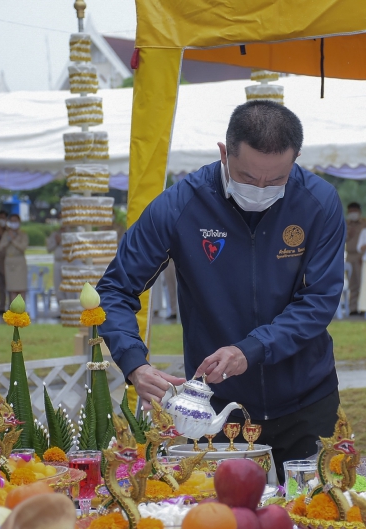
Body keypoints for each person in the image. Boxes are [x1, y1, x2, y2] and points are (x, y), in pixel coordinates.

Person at [96, 100, 345, 482]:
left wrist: (251, 349)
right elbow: (114, 288)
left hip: (307, 398)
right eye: (247, 177)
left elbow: (318, 301)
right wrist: (134, 363)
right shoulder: (179, 206)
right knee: (221, 517)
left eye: (276, 180)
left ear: (295, 160)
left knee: (317, 512)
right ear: (224, 153)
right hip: (216, 411)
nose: (261, 189)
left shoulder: (318, 202)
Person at [0, 214, 29, 304]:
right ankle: (14, 311)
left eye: (16, 221)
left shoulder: (23, 234)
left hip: (20, 262)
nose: (14, 223)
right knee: (12, 289)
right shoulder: (6, 234)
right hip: (9, 262)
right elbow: (0, 247)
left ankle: (21, 311)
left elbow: (23, 247)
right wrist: (8, 239)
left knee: (21, 288)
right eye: (12, 221)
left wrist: (13, 240)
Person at [345, 202, 366, 315]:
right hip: (350, 255)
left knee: (362, 281)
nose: (353, 214)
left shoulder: (364, 224)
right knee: (352, 283)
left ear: (359, 212)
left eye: (355, 211)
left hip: (361, 255)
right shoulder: (345, 224)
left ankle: (363, 306)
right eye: (351, 211)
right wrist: (349, 233)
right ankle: (353, 308)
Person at [46, 222, 65, 305]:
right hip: (57, 262)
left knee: (68, 287)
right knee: (58, 286)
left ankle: (70, 308)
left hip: (68, 262)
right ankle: (60, 309)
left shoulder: (73, 233)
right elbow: (49, 248)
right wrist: (56, 242)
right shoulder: (55, 234)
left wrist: (61, 242)